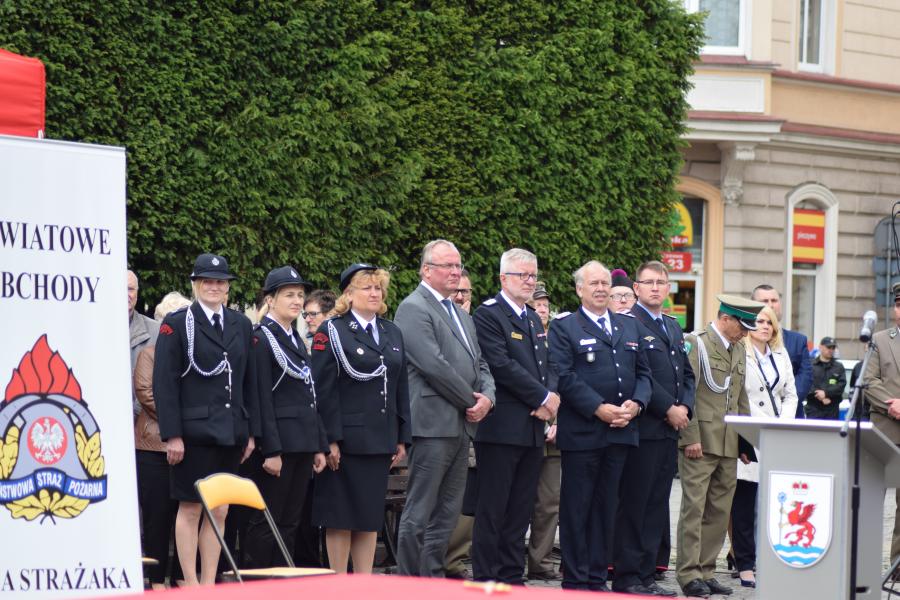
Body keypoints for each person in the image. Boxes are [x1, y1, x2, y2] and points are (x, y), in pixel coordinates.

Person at [153, 253, 259, 586]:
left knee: (220, 510)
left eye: (220, 282)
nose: (214, 287)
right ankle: (190, 583)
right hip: (193, 434)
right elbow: (165, 382)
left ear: (227, 288)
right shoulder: (177, 321)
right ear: (196, 284)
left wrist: (250, 432)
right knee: (191, 508)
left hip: (230, 432)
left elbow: (248, 382)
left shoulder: (241, 324)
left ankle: (210, 582)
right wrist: (172, 434)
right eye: (207, 281)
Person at [394, 239, 496, 577]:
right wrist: (473, 401)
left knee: (448, 513)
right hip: (433, 425)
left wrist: (488, 399)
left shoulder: (458, 311)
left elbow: (480, 363)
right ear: (426, 270)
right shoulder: (414, 307)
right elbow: (433, 366)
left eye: (457, 265)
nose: (456, 271)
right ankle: (410, 582)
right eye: (447, 266)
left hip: (462, 425)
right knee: (419, 512)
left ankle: (433, 579)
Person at [548, 260, 651, 592]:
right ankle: (576, 579)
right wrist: (598, 408)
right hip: (584, 433)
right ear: (579, 289)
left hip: (621, 431)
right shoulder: (566, 327)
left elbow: (644, 375)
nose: (601, 288)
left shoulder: (628, 326)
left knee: (607, 508)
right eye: (593, 283)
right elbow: (564, 376)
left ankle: (596, 576)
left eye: (605, 283)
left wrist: (637, 403)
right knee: (577, 509)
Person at [310, 264, 411, 574]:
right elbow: (322, 390)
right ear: (348, 294)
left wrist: (402, 436)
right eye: (366, 287)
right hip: (347, 440)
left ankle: (363, 583)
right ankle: (340, 583)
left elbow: (400, 386)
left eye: (378, 287)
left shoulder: (391, 331)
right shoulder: (333, 330)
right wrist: (330, 439)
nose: (374, 292)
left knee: (368, 518)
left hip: (379, 438)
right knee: (340, 517)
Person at [470, 249, 559, 583]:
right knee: (494, 507)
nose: (530, 281)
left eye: (533, 275)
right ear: (503, 278)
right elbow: (500, 365)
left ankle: (511, 575)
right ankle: (486, 576)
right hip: (502, 427)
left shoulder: (533, 317)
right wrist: (541, 396)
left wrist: (550, 396)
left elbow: (546, 364)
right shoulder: (488, 315)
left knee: (521, 508)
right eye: (523, 275)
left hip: (533, 427)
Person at [613, 260, 695, 597]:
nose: (657, 288)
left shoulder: (673, 326)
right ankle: (628, 575)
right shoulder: (627, 323)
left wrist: (686, 406)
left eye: (662, 282)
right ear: (636, 287)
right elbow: (637, 374)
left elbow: (686, 374)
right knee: (635, 502)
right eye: (649, 282)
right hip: (644, 427)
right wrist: (669, 409)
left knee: (656, 504)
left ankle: (647, 574)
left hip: (669, 431)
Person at [675, 294, 763, 599]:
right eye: (742, 325)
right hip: (701, 441)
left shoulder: (738, 348)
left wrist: (745, 441)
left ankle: (707, 570)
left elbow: (740, 399)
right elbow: (689, 394)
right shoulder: (695, 343)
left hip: (727, 443)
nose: (745, 332)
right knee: (694, 509)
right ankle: (688, 573)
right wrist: (691, 438)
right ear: (725, 318)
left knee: (719, 509)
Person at [243, 267, 328, 567]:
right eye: (289, 295)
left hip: (301, 442)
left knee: (290, 522)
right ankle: (258, 585)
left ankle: (281, 584)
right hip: (279, 446)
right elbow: (260, 397)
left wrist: (318, 444)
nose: (297, 301)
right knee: (266, 521)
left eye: (300, 295)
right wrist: (272, 449)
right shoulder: (261, 338)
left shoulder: (293, 338)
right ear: (270, 299)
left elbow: (309, 395)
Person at [731, 305, 797, 588]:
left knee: (773, 504)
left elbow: (790, 394)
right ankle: (745, 564)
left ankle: (771, 559)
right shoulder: (739, 353)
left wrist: (783, 424)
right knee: (744, 504)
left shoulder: (781, 356)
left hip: (776, 434)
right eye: (758, 321)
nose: (764, 326)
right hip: (747, 433)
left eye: (769, 322)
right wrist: (749, 427)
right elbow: (737, 393)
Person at [134, 291, 192, 589]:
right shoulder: (149, 354)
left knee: (188, 514)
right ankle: (155, 580)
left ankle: (184, 577)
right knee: (157, 518)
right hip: (153, 447)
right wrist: (186, 420)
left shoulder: (195, 353)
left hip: (189, 445)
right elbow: (147, 395)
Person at [526, 281, 563, 582]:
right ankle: (510, 559)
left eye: (545, 305)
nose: (542, 308)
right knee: (515, 499)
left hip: (553, 434)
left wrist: (557, 421)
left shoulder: (558, 339)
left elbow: (564, 383)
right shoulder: (519, 335)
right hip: (525, 426)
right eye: (537, 303)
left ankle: (541, 561)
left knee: (549, 503)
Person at [863, 281, 900, 568]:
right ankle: (864, 562)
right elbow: (868, 380)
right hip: (884, 429)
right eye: (899, 304)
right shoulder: (880, 339)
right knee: (873, 499)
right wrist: (892, 403)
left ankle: (897, 565)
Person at [444, 268, 476, 579]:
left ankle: (455, 562)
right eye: (457, 291)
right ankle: (439, 564)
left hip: (475, 427)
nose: (461, 297)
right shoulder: (438, 323)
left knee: (466, 505)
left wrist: (486, 399)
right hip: (443, 425)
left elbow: (484, 368)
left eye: (466, 292)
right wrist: (473, 398)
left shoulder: (474, 326)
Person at [751, 285, 812, 418]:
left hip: (789, 416)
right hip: (754, 420)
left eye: (774, 300)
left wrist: (784, 413)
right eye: (765, 301)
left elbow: (803, 379)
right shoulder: (741, 347)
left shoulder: (797, 341)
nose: (770, 305)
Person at [129, 270, 159, 418]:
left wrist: (133, 413)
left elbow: (160, 380)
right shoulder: (94, 329)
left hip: (141, 423)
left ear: (137, 293)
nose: (126, 294)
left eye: (130, 289)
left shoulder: (156, 331)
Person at [805, 337, 845, 420]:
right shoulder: (811, 365)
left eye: (833, 348)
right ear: (820, 347)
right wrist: (821, 396)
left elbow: (841, 385)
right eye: (828, 347)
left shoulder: (838, 367)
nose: (831, 350)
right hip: (814, 409)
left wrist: (826, 393)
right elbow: (807, 384)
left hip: (832, 410)